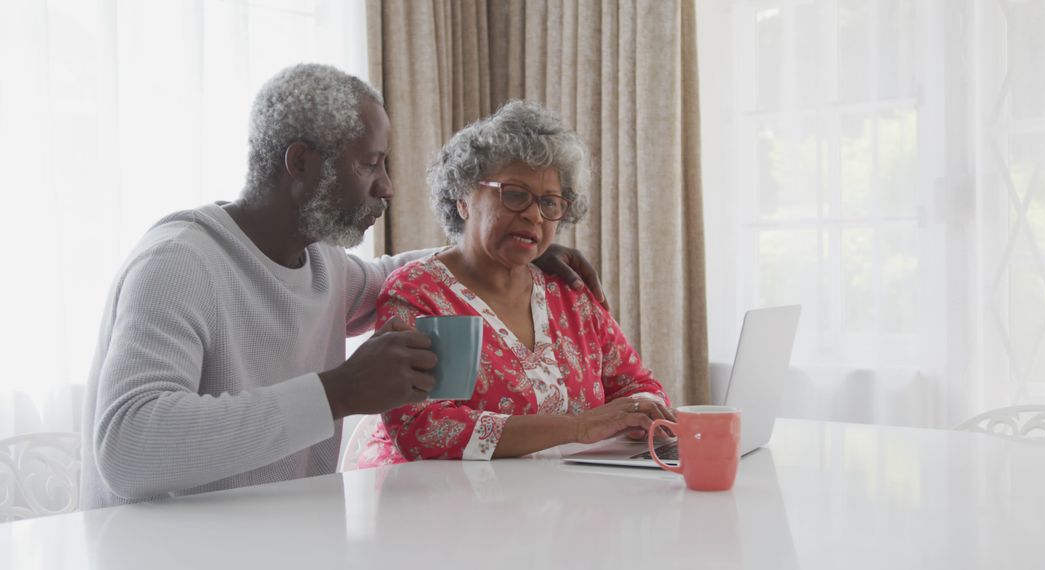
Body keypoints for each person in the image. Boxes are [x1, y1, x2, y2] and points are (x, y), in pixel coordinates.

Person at [81, 64, 606, 509]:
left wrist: (515, 245)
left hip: (284, 541)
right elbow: (129, 446)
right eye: (369, 163)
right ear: (300, 162)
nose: (387, 187)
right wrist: (339, 392)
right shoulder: (178, 265)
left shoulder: (320, 265)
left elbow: (394, 272)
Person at [356, 101, 674, 467]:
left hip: (568, 502)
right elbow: (424, 429)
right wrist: (579, 426)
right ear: (463, 198)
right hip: (444, 509)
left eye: (549, 202)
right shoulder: (417, 294)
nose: (533, 214)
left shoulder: (568, 291)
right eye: (515, 194)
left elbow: (640, 387)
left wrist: (643, 415)